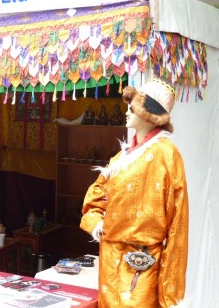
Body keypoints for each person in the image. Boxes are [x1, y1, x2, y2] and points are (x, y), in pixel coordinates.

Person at [80, 78, 189, 307]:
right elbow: (95, 195)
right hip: (110, 259)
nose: (127, 110)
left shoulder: (167, 154)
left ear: (148, 114)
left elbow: (178, 222)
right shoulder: (120, 158)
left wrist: (170, 284)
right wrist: (97, 224)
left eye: (134, 106)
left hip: (142, 261)